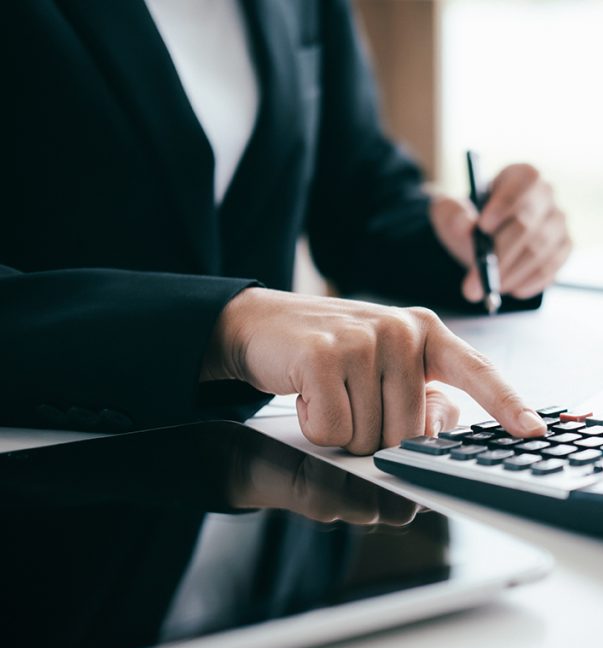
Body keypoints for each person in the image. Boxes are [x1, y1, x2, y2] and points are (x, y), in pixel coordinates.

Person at [0, 0, 571, 453]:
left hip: (280, 494)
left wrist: (473, 246)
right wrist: (226, 327)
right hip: (51, 501)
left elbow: (357, 200)